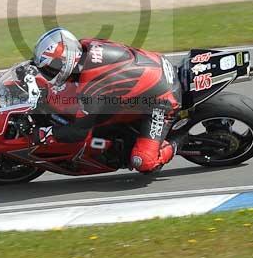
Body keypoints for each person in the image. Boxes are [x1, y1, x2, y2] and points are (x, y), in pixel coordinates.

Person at [23, 27, 181, 173]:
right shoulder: (85, 45)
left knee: (143, 161)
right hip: (153, 69)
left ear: (66, 62)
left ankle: (180, 140)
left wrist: (45, 134)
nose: (48, 74)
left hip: (162, 99)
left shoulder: (93, 85)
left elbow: (79, 132)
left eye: (50, 69)